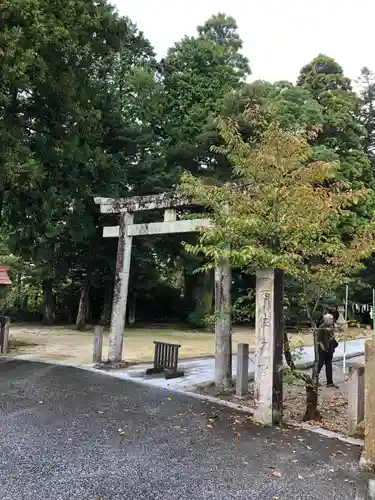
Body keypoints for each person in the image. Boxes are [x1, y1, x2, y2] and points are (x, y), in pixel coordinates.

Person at [317, 313, 339, 388]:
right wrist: (323, 348)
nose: (332, 320)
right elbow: (319, 340)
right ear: (326, 320)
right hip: (323, 349)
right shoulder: (321, 327)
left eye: (332, 319)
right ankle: (314, 381)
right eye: (331, 319)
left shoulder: (331, 326)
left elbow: (335, 334)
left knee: (329, 366)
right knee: (319, 365)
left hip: (330, 349)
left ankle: (330, 382)